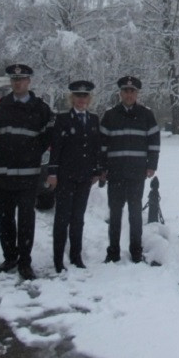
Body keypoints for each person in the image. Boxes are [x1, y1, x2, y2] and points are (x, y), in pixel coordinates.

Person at [0, 64, 54, 280]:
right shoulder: (1, 106)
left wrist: (31, 152)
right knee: (6, 218)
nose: (18, 83)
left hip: (28, 172)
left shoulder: (40, 108)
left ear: (29, 82)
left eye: (22, 79)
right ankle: (10, 257)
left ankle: (25, 261)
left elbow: (47, 137)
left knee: (26, 218)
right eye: (15, 79)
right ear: (11, 82)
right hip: (4, 172)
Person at [99, 75, 160, 264]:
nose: (129, 94)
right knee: (115, 214)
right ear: (120, 93)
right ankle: (113, 251)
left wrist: (151, 165)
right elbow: (102, 144)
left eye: (132, 91)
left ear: (137, 93)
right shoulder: (110, 115)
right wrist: (102, 168)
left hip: (136, 173)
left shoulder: (146, 114)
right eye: (125, 91)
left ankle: (136, 251)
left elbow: (154, 143)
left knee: (135, 214)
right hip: (115, 172)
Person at [48, 80, 102, 273]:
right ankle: (57, 259)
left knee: (78, 218)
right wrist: (52, 173)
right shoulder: (62, 119)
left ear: (89, 98)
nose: (81, 100)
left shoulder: (94, 119)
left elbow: (96, 147)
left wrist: (96, 171)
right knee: (62, 218)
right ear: (72, 98)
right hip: (65, 176)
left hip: (84, 176)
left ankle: (76, 255)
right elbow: (56, 148)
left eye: (85, 96)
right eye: (78, 96)